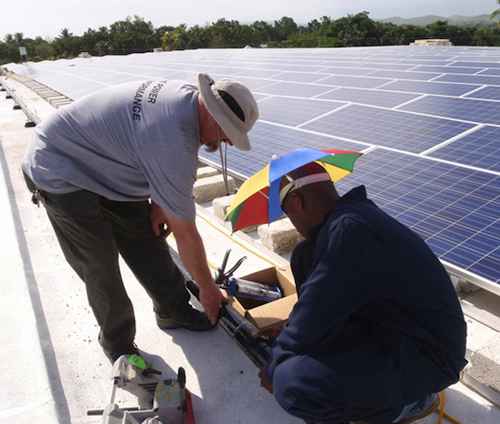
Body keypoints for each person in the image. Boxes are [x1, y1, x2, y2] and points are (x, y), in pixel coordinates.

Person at [22, 73, 259, 361]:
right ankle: (118, 346)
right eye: (227, 134)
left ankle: (173, 310)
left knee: (146, 235)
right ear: (211, 114)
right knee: (100, 263)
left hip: (107, 163)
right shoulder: (171, 138)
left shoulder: (187, 102)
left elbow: (161, 151)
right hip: (60, 166)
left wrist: (160, 201)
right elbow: (186, 234)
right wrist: (208, 289)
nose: (227, 143)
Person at [261, 163, 467, 424]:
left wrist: (275, 360)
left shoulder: (352, 230)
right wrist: (292, 332)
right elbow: (320, 304)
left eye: (287, 212)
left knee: (293, 382)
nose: (291, 220)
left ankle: (410, 403)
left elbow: (316, 307)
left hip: (428, 355)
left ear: (297, 202)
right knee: (303, 255)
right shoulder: (348, 221)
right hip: (393, 330)